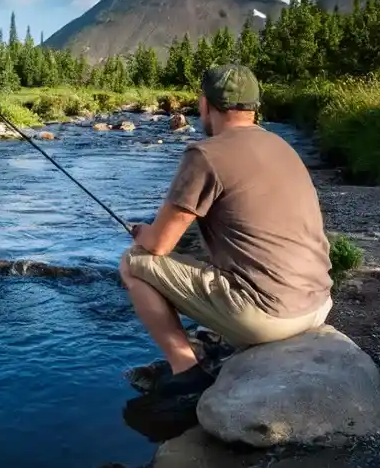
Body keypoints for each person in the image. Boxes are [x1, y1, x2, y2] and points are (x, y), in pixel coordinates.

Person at [119, 64, 333, 396]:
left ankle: (185, 370)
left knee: (133, 262)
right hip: (318, 303)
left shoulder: (205, 154)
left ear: (206, 104)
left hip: (272, 318)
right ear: (254, 106)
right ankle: (218, 342)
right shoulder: (282, 146)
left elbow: (160, 244)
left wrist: (141, 232)